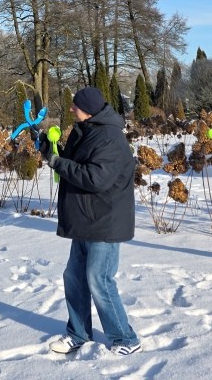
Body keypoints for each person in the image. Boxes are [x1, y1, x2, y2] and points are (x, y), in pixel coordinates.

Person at [39, 86, 142, 357]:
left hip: (105, 221)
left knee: (99, 279)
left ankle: (125, 338)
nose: (71, 108)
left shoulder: (110, 137)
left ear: (88, 109)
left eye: (75, 105)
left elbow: (95, 178)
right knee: (74, 277)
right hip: (86, 218)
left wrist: (57, 163)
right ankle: (78, 333)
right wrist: (50, 150)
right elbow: (74, 162)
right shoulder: (86, 131)